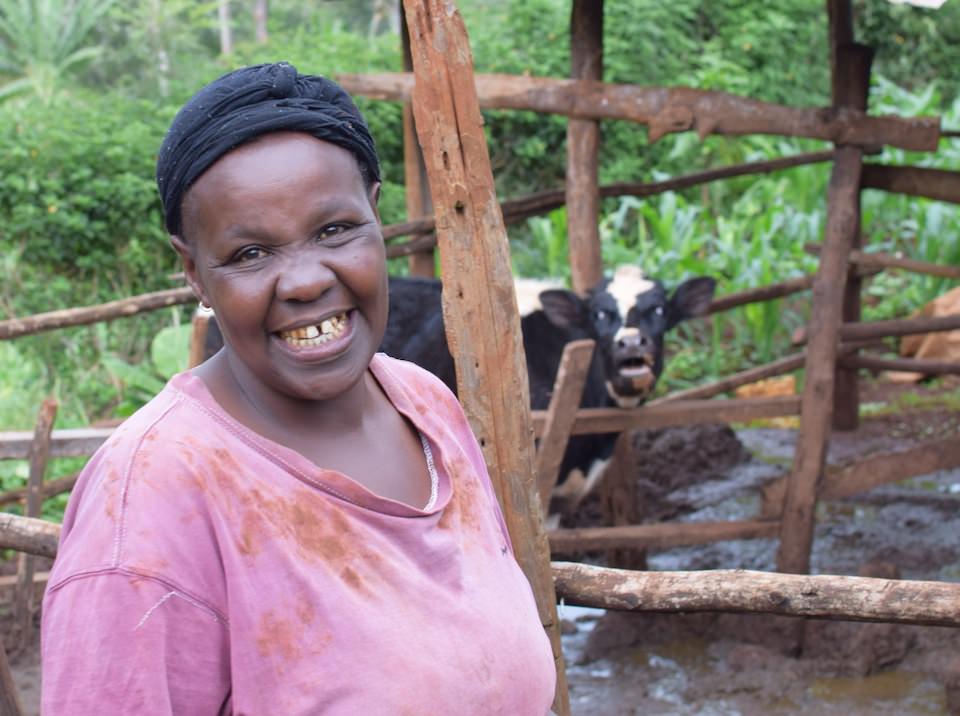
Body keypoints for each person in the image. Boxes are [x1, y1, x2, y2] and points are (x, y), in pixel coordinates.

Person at [41, 62, 557, 715]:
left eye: (334, 229)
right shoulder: (151, 503)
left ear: (376, 211)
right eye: (251, 254)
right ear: (195, 272)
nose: (307, 281)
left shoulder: (428, 407)